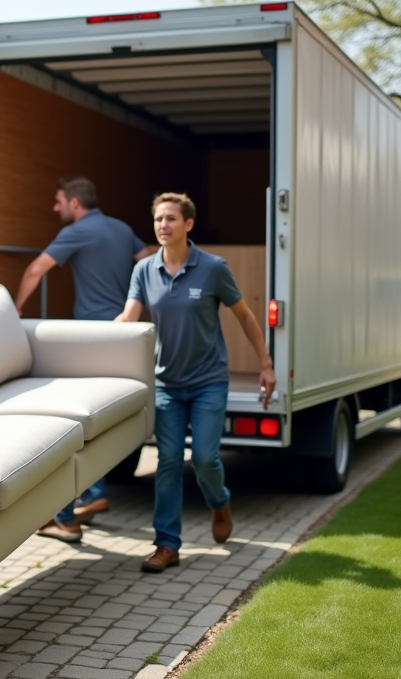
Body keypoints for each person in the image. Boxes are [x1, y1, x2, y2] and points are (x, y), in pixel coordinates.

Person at [116, 192, 276, 573]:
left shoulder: (213, 268)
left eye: (171, 219)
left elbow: (246, 317)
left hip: (207, 382)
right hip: (167, 383)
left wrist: (266, 364)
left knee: (205, 458)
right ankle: (167, 545)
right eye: (158, 219)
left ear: (188, 224)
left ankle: (219, 501)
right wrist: (91, 346)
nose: (162, 226)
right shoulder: (144, 271)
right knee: (168, 462)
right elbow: (128, 319)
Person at [14, 176, 157, 543]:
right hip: (123, 334)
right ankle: (93, 495)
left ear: (75, 204)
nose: (55, 207)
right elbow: (148, 259)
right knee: (104, 419)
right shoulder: (122, 229)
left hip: (91, 338)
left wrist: (15, 310)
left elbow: (35, 269)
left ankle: (68, 513)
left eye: (59, 200)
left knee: (74, 421)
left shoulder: (79, 232)